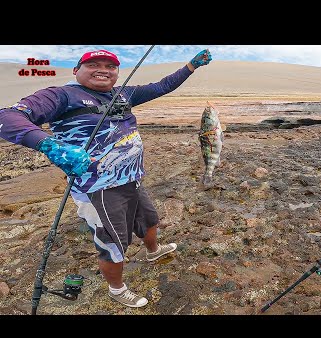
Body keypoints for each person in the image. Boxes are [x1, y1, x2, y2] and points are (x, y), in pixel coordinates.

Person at [0, 48, 212, 308]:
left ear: (117, 73)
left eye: (110, 66)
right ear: (76, 70)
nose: (103, 69)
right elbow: (7, 116)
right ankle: (117, 288)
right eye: (94, 64)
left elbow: (162, 86)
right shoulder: (61, 95)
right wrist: (49, 145)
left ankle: (153, 252)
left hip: (131, 178)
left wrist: (191, 66)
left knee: (149, 220)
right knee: (112, 244)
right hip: (96, 189)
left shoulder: (123, 94)